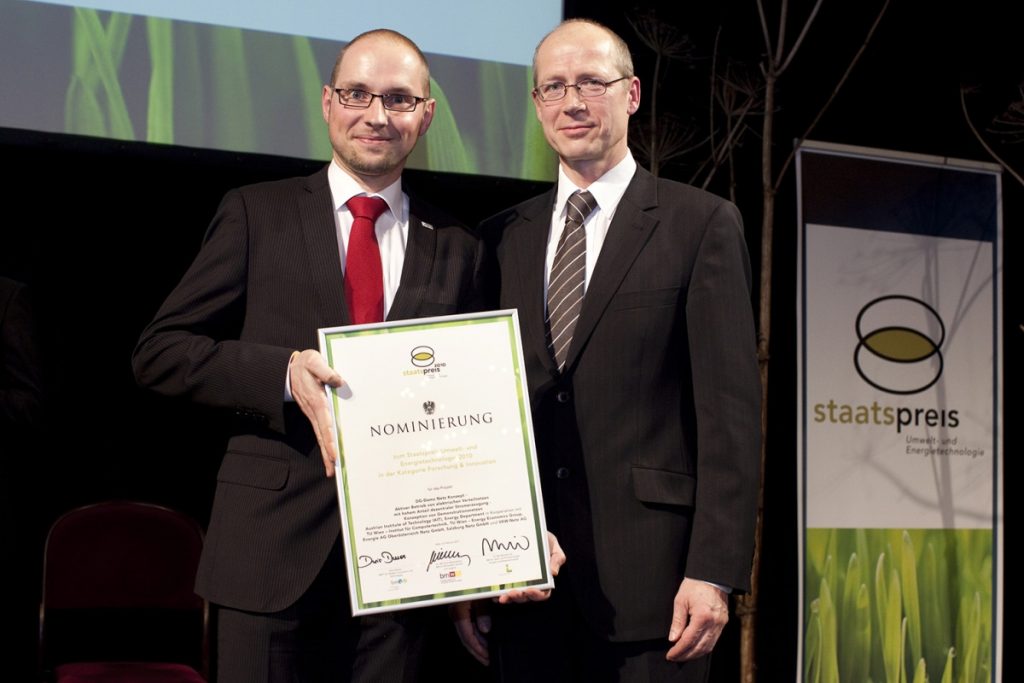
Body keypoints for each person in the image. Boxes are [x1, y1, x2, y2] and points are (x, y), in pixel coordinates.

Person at [132, 29, 487, 683]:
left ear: (426, 114)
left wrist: (471, 561)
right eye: (358, 93)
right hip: (270, 557)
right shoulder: (255, 213)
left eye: (399, 99)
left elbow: (469, 407)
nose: (377, 115)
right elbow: (159, 351)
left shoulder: (460, 244)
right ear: (328, 102)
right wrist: (279, 373)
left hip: (402, 574)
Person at [456, 18, 762, 682]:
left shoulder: (700, 223)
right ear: (536, 104)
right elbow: (477, 415)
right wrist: (472, 568)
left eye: (592, 82)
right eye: (554, 86)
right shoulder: (499, 237)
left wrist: (712, 569)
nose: (572, 102)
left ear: (632, 94)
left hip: (658, 595)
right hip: (525, 587)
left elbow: (730, 418)